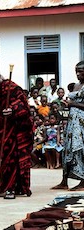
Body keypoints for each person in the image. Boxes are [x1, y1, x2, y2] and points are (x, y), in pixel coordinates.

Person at [0, 64, 33, 199]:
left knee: (10, 159)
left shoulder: (11, 88)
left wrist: (12, 110)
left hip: (11, 128)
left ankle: (10, 188)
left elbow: (24, 107)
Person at [52, 61, 84, 191]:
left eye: (81, 71)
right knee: (67, 148)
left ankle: (83, 181)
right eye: (76, 71)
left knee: (79, 149)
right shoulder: (76, 85)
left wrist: (72, 104)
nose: (78, 74)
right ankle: (64, 180)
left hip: (81, 121)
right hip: (71, 120)